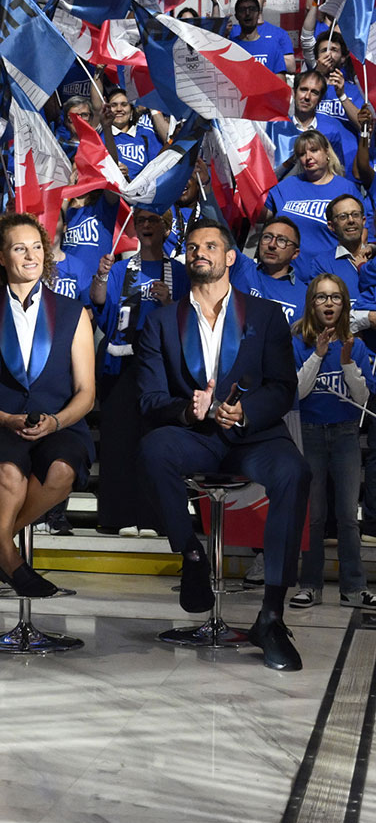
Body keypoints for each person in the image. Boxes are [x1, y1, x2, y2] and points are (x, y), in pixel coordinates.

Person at [136, 219, 311, 671]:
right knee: (154, 448)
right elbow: (151, 400)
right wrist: (188, 411)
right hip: (196, 436)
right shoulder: (160, 322)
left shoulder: (266, 315)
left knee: (294, 472)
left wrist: (245, 410)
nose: (200, 252)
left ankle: (271, 614)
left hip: (253, 436)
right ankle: (191, 555)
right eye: (193, 246)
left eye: (210, 245)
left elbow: (282, 386)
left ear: (230, 257)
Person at [0, 213, 95, 593]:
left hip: (58, 423)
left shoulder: (74, 313)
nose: (31, 256)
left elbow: (87, 393)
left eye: (37, 247)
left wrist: (57, 422)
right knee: (7, 471)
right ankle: (12, 563)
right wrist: (3, 418)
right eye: (19, 248)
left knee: (61, 468)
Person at [92, 207, 189, 535]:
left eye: (154, 220)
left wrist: (169, 304)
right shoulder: (121, 268)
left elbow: (190, 320)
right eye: (142, 220)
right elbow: (101, 306)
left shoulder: (179, 271)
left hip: (162, 369)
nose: (147, 226)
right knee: (119, 442)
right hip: (122, 364)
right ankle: (119, 516)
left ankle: (153, 517)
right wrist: (102, 276)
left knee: (157, 443)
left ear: (166, 227)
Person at [289, 275, 376, 611]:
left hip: (344, 433)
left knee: (346, 516)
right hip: (309, 432)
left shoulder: (356, 344)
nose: (328, 304)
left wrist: (346, 363)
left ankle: (354, 588)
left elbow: (363, 398)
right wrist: (318, 355)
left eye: (335, 297)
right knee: (313, 515)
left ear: (344, 304)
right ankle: (309, 585)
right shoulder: (298, 341)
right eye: (322, 298)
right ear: (312, 303)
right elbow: (296, 393)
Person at [263, 132, 362, 270]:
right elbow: (260, 216)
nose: (308, 157)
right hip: (289, 276)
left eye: (314, 150)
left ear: (326, 152)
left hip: (331, 276)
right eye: (302, 154)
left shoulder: (346, 188)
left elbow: (363, 230)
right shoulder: (285, 186)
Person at [229, 0, 289, 77]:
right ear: (237, 16)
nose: (247, 13)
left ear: (258, 14)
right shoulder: (230, 48)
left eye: (252, 9)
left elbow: (281, 84)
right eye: (242, 10)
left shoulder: (273, 46)